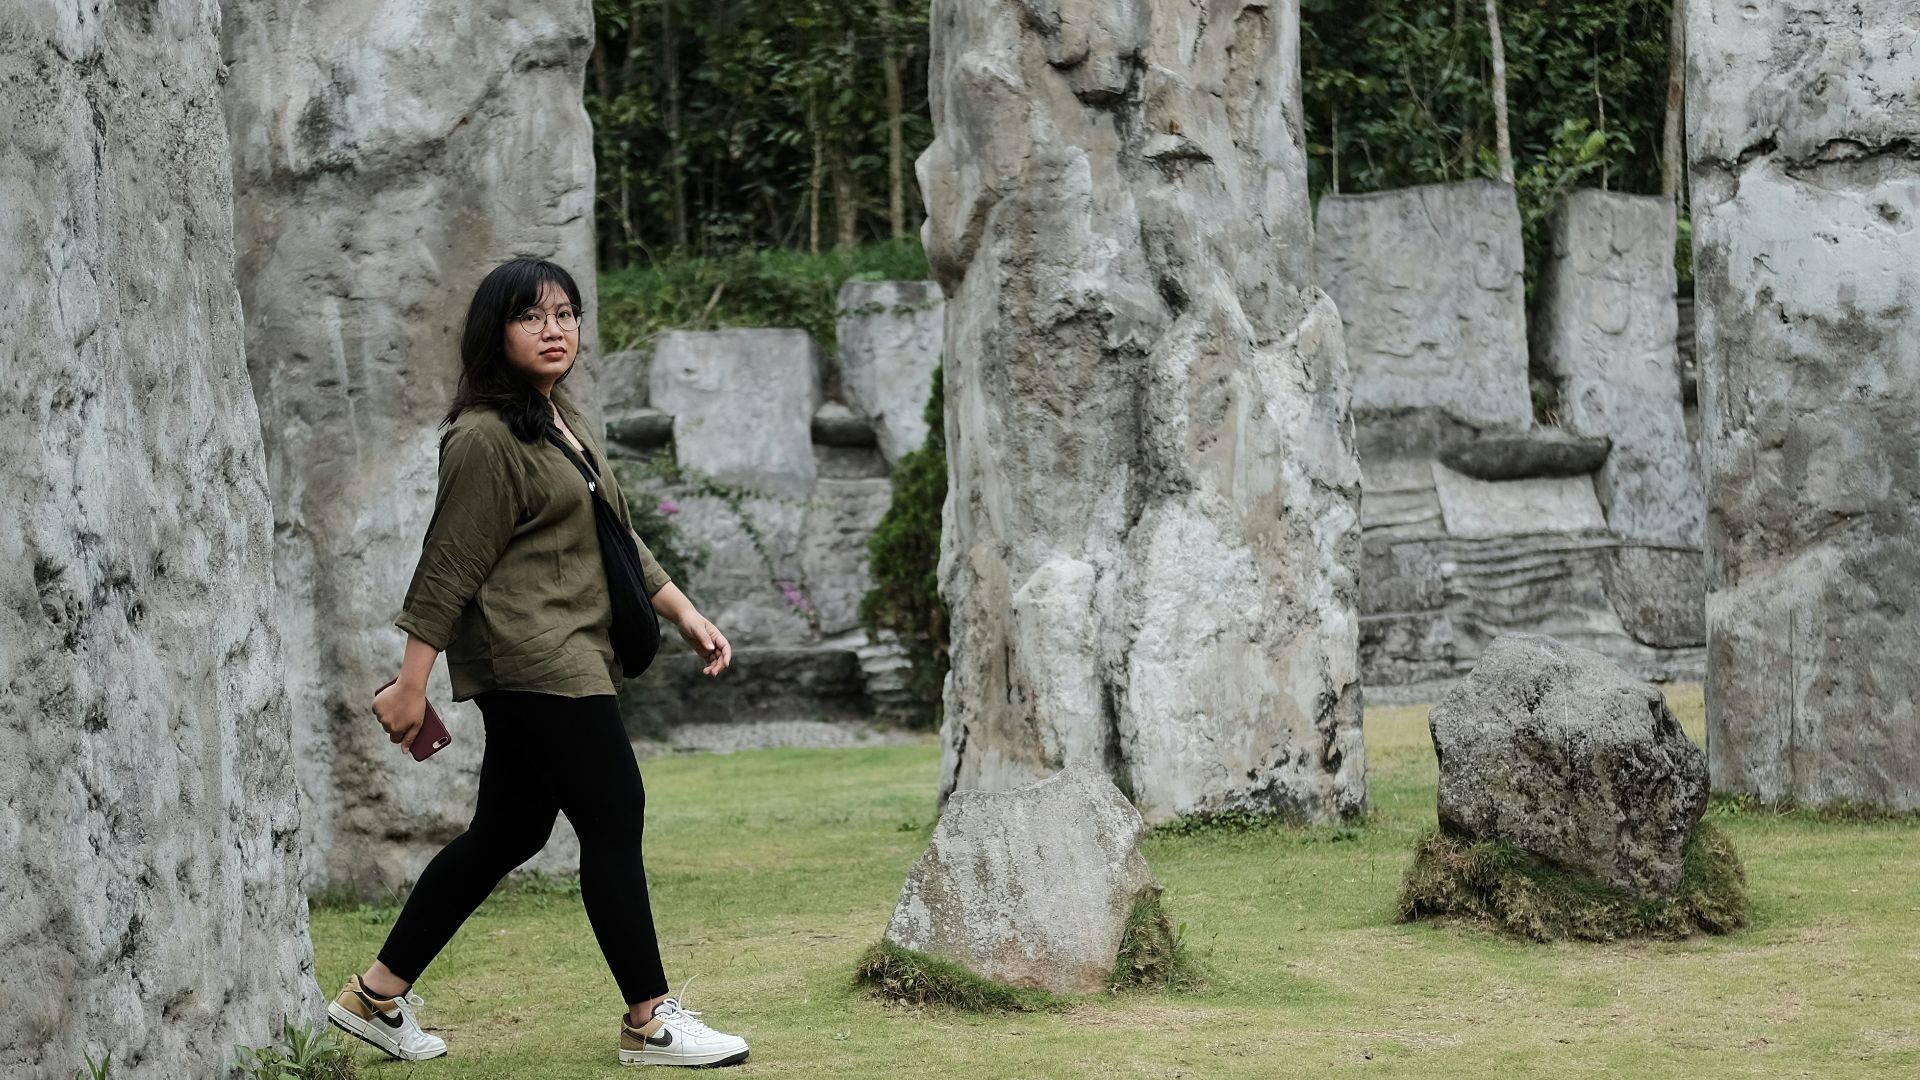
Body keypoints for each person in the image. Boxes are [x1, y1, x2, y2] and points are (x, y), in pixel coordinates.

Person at [324, 257, 749, 1069]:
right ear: (498, 334)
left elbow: (615, 536)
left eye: (566, 313)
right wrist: (412, 683)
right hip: (534, 656)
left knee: (509, 831)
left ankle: (376, 994)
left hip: (569, 649)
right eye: (532, 316)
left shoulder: (556, 419)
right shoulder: (484, 438)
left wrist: (685, 611)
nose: (555, 329)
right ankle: (650, 1021)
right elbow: (448, 563)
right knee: (615, 813)